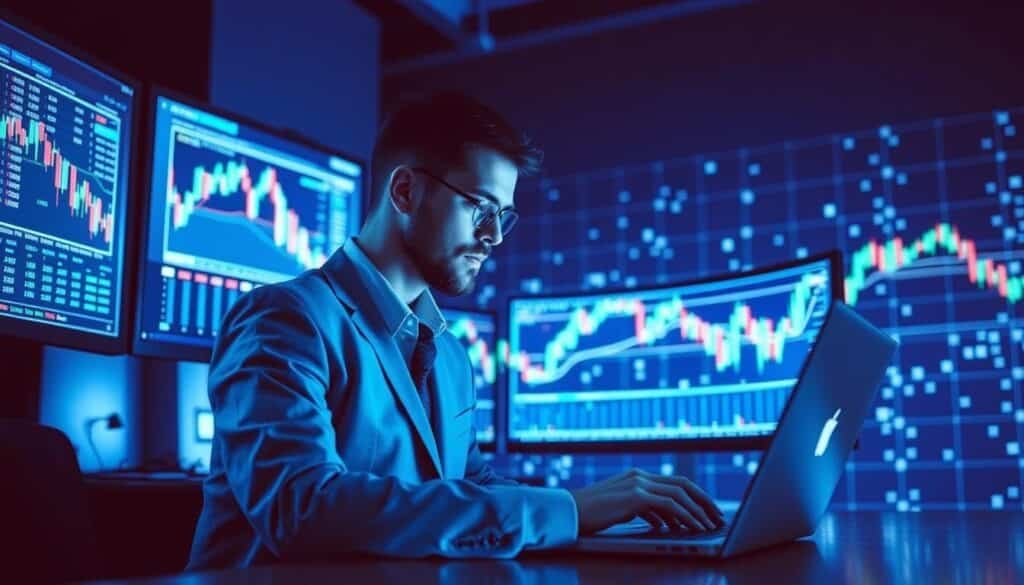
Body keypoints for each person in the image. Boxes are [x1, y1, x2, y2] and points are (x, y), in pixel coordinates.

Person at [187, 92, 724, 568]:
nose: (493, 237)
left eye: (503, 216)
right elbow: (303, 509)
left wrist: (597, 517)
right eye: (480, 207)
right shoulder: (283, 319)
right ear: (404, 192)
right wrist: (568, 511)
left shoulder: (447, 355)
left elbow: (468, 487)